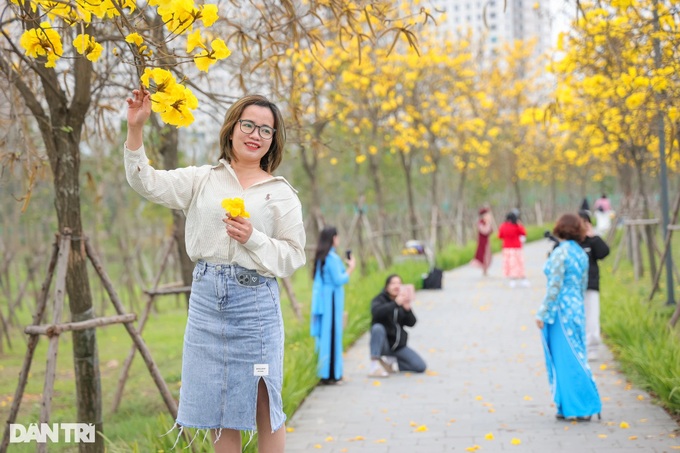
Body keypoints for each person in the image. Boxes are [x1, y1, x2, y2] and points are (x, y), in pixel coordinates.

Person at [125, 89, 306, 453]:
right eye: (249, 125)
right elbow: (145, 181)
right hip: (207, 301)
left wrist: (253, 238)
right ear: (232, 128)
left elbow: (293, 256)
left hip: (254, 304)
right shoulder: (202, 179)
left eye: (266, 130)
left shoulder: (280, 192)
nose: (256, 135)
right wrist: (135, 129)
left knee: (263, 400)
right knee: (216, 403)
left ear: (273, 141)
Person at [536, 213, 601, 422]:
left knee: (565, 358)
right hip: (576, 308)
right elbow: (582, 285)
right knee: (576, 354)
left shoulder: (560, 253)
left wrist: (543, 313)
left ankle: (578, 405)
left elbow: (554, 286)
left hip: (560, 312)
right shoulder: (581, 254)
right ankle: (573, 404)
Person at [310, 226, 356, 385]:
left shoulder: (322, 257)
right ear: (333, 238)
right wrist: (351, 268)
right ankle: (332, 375)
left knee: (325, 336)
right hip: (332, 301)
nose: (339, 239)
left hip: (325, 299)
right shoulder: (332, 258)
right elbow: (339, 279)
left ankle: (325, 373)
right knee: (333, 335)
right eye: (337, 236)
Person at [368, 274, 426, 377]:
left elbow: (412, 323)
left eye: (399, 283)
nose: (396, 286)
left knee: (420, 366)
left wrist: (407, 309)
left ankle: (392, 362)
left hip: (398, 346)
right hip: (384, 345)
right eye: (393, 283)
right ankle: (374, 366)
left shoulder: (402, 302)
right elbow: (376, 313)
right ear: (386, 287)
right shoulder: (379, 299)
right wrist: (395, 303)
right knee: (377, 328)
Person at [578, 210, 610, 361]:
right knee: (577, 317)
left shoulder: (592, 241)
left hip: (591, 285)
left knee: (592, 317)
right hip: (573, 288)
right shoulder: (571, 242)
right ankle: (578, 345)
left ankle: (592, 347)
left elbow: (604, 253)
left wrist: (593, 236)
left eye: (584, 224)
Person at [498, 211, 529, 287]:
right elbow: (524, 233)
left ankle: (511, 279)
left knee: (509, 264)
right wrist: (519, 224)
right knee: (519, 263)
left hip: (507, 248)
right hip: (516, 248)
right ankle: (521, 278)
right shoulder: (517, 226)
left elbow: (500, 236)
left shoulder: (503, 226)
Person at [471, 207, 494, 276]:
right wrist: (488, 224)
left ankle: (485, 270)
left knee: (487, 255)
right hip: (482, 241)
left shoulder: (486, 222)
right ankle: (484, 270)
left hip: (487, 241)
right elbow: (485, 231)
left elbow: (491, 231)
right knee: (483, 255)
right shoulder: (481, 223)